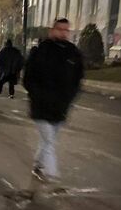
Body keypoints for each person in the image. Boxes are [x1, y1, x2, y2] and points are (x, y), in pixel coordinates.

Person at [23, 18, 84, 183]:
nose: (63, 33)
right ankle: (52, 174)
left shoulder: (73, 53)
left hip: (61, 107)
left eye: (66, 30)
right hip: (41, 106)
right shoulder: (41, 51)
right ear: (52, 30)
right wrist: (37, 95)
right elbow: (28, 78)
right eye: (60, 29)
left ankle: (37, 165)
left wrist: (70, 97)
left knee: (47, 140)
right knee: (49, 140)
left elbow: (78, 79)